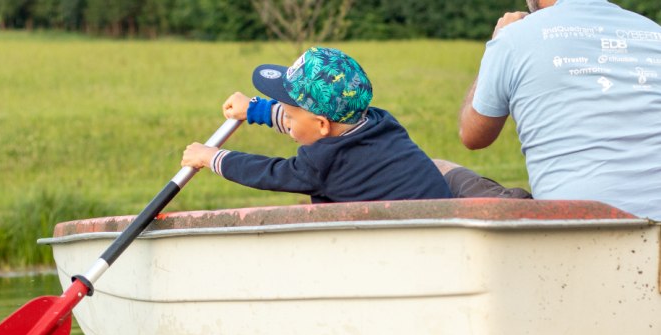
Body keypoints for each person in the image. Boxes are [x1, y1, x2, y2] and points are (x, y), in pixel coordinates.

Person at [459, 0, 661, 219]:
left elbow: (472, 135)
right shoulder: (654, 32)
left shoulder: (514, 37)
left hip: (570, 231)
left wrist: (496, 43)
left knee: (440, 170)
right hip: (655, 232)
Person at [181, 47, 452, 204]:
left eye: (288, 113)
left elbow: (269, 172)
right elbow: (306, 122)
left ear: (322, 125)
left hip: (412, 242)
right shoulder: (379, 122)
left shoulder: (324, 164)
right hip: (437, 212)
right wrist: (255, 109)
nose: (286, 119)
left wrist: (211, 156)